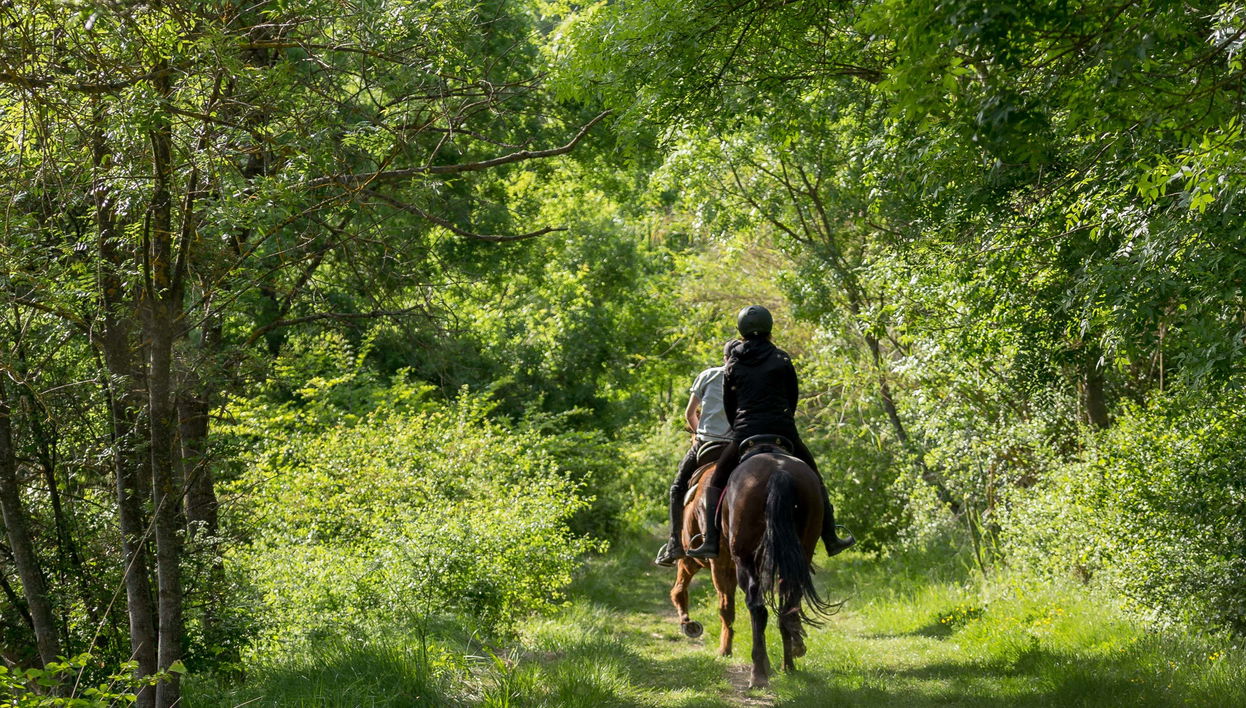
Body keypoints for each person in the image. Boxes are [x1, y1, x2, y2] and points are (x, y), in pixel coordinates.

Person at [687, 305, 855, 560]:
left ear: (741, 330)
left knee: (719, 478)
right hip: (782, 430)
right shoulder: (782, 358)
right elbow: (792, 396)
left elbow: (730, 404)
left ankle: (710, 540)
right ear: (769, 328)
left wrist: (740, 428)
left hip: (745, 433)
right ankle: (830, 536)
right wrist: (783, 420)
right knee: (815, 476)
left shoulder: (734, 362)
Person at [654, 340, 738, 567]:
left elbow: (690, 413)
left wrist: (698, 430)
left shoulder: (708, 375)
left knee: (677, 486)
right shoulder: (747, 378)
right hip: (738, 446)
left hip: (707, 444)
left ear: (724, 357)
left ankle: (674, 544)